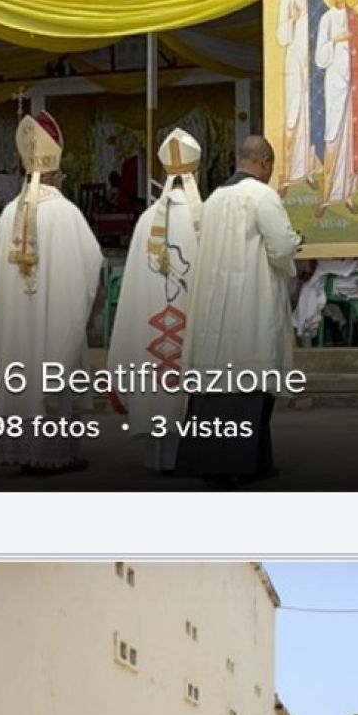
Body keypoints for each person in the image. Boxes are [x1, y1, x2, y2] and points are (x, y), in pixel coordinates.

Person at [0, 110, 105, 474]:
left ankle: (21, 451)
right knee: (53, 367)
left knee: (19, 374)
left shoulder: (8, 214)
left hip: (17, 326)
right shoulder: (66, 213)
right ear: (53, 172)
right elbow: (92, 264)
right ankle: (53, 455)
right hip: (52, 320)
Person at [183, 135, 303, 479]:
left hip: (214, 306)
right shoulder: (263, 196)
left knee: (216, 383)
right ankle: (243, 464)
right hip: (251, 301)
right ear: (265, 163)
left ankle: (227, 462)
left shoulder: (213, 199)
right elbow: (281, 248)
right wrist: (295, 243)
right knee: (251, 382)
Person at [107, 129, 203, 472]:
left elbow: (134, 283)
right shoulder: (203, 218)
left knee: (155, 372)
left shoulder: (147, 219)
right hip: (189, 317)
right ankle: (189, 454)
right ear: (196, 172)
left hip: (152, 322)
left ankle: (156, 457)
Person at [315, 0, 358, 216]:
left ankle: (348, 194)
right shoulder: (327, 19)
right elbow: (320, 57)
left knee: (351, 136)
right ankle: (327, 196)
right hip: (334, 80)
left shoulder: (354, 17)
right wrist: (336, 39)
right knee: (333, 134)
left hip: (353, 81)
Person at [276, 0, 325, 189]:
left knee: (311, 113)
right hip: (294, 58)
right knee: (294, 113)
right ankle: (288, 172)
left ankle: (309, 170)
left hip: (313, 60)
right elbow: (281, 36)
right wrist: (293, 19)